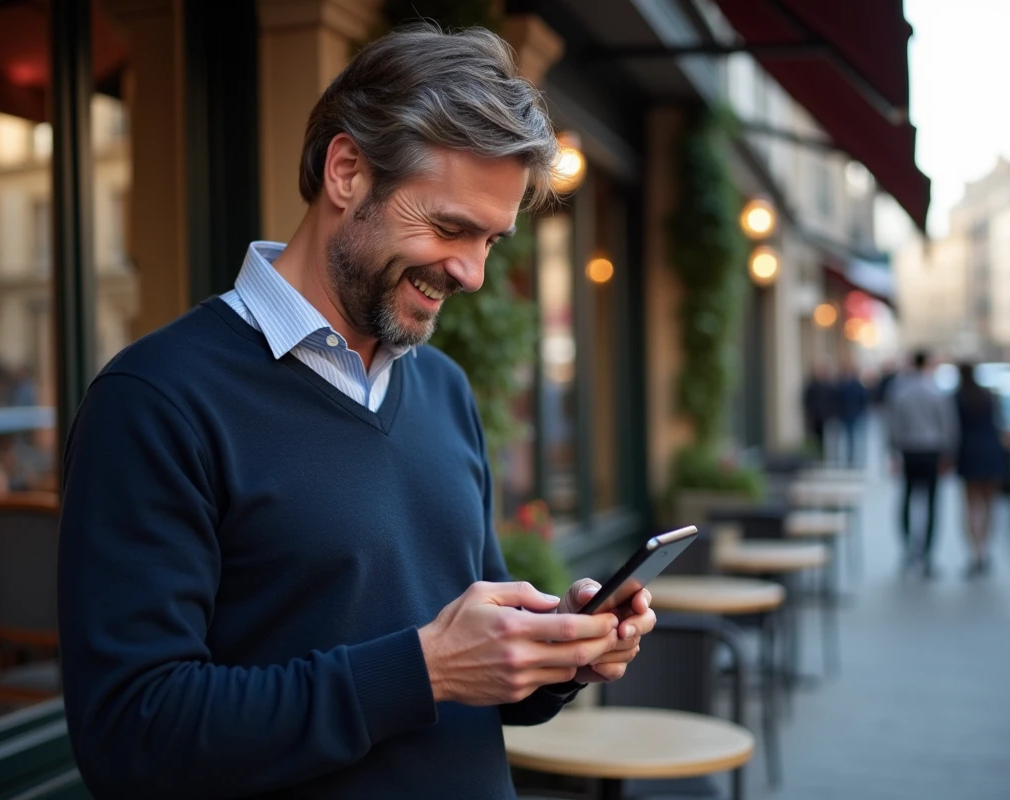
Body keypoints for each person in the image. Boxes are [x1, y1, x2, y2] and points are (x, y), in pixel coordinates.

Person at [57, 25, 656, 800]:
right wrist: (423, 668)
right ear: (347, 172)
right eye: (449, 227)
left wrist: (558, 650)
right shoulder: (155, 401)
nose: (472, 272)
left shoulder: (443, 388)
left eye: (491, 240)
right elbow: (132, 734)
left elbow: (469, 670)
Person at [886, 350, 958, 577]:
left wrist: (893, 453)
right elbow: (947, 426)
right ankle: (926, 555)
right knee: (932, 504)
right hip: (931, 451)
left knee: (907, 499)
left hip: (909, 451)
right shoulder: (936, 392)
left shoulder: (900, 392)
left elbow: (892, 425)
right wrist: (948, 455)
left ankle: (909, 548)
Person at [954, 362, 1007, 576]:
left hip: (968, 453)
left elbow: (952, 429)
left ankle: (975, 551)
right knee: (989, 505)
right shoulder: (988, 396)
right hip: (991, 451)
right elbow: (999, 424)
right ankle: (985, 548)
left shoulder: (958, 398)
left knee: (971, 505)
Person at [835, 361, 868, 467]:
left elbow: (863, 399)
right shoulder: (842, 384)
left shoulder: (856, 385)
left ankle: (853, 456)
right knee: (849, 435)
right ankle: (850, 456)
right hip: (847, 413)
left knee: (852, 435)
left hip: (853, 413)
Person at [803, 363, 837, 460]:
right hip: (816, 417)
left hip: (826, 416)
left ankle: (827, 455)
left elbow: (833, 400)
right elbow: (808, 401)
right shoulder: (812, 386)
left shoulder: (829, 386)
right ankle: (819, 455)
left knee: (829, 437)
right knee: (817, 438)